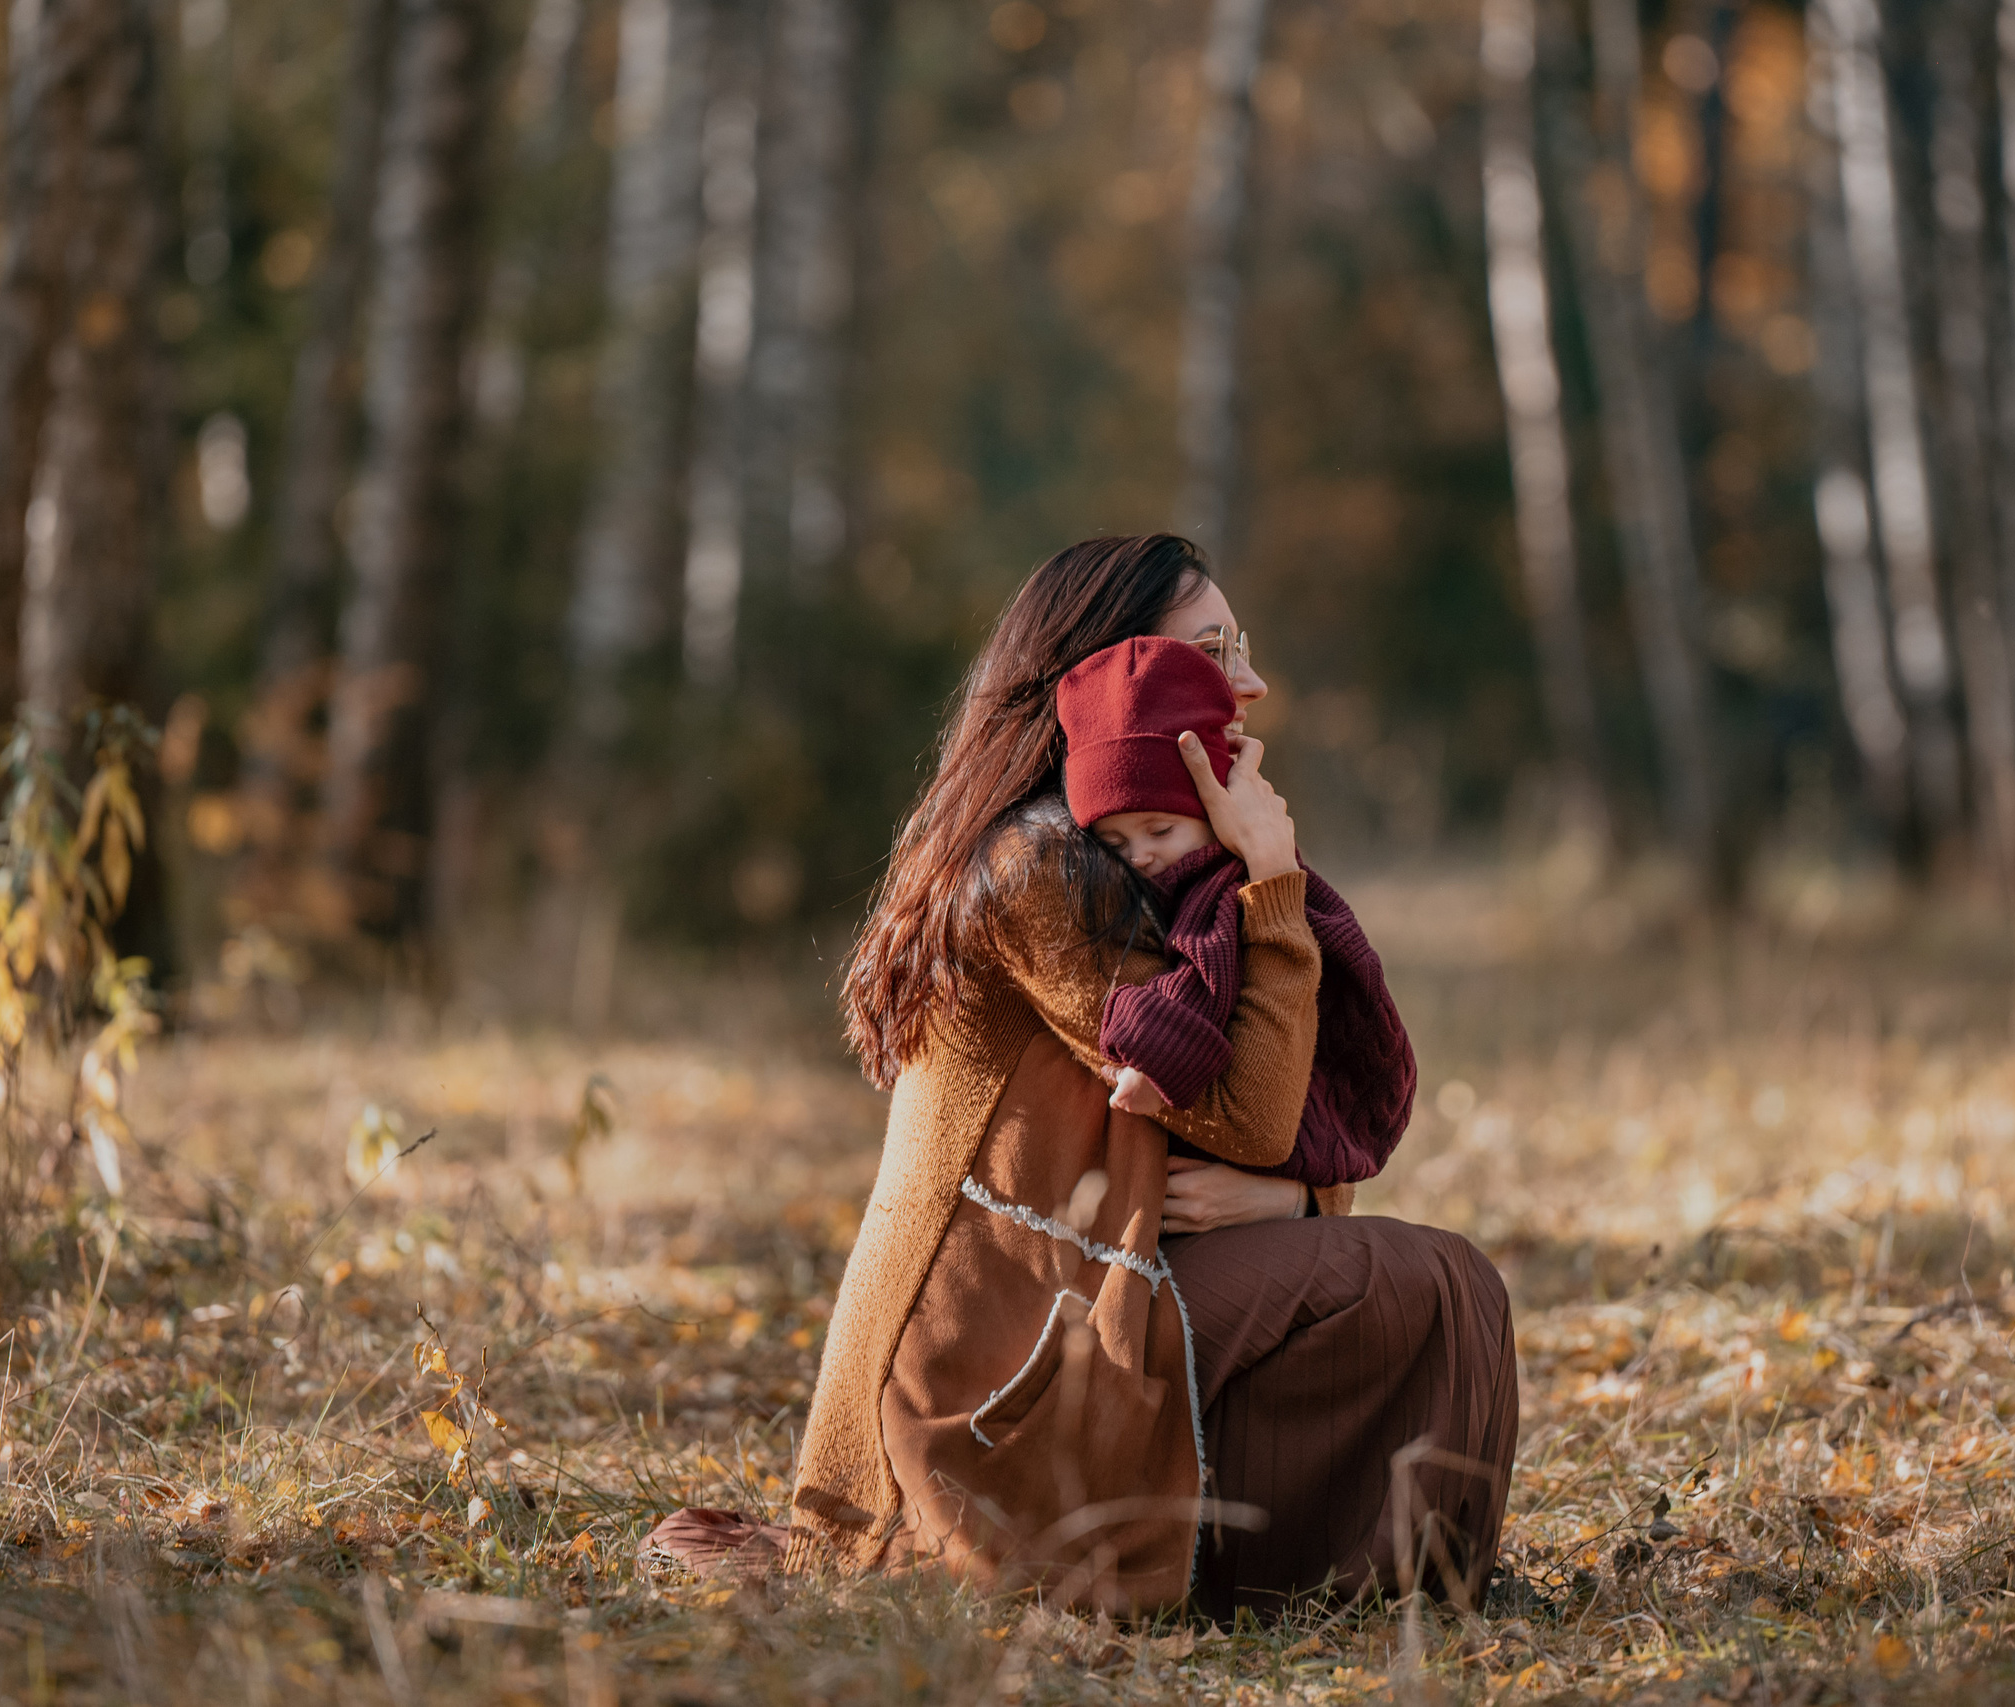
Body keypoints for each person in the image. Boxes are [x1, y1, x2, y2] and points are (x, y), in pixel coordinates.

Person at [643, 535, 1517, 1619]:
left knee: (1431, 1282)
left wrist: (1299, 1198)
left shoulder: (1139, 861)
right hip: (980, 1400)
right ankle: (1369, 1587)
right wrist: (1276, 886)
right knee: (1423, 1282)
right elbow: (1246, 1115)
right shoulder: (1036, 869)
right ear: (1111, 677)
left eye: (1238, 647)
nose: (1248, 681)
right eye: (1210, 651)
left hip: (1091, 1304)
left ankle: (1369, 1587)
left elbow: (1243, 1149)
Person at [1057, 634, 1416, 1195]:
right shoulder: (1057, 878)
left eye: (1160, 830)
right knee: (1448, 1273)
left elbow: (1205, 970)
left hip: (1267, 1142)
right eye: (1114, 840)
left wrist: (1153, 1058)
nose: (1140, 855)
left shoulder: (1218, 884)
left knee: (1450, 1269)